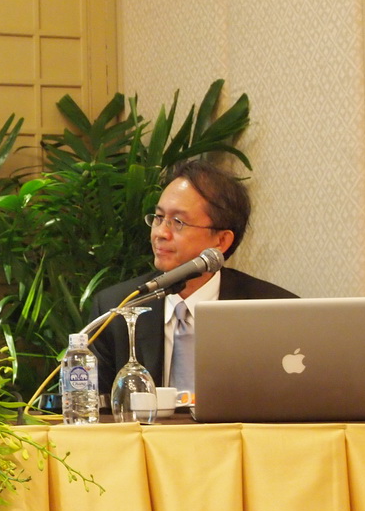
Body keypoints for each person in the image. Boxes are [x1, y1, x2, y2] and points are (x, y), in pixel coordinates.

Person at [88, 160, 296, 398]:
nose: (160, 233)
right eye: (158, 217)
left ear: (221, 241)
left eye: (178, 222)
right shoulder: (116, 308)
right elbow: (94, 408)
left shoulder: (275, 313)